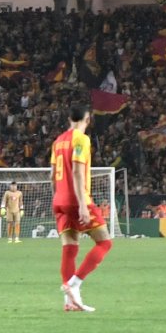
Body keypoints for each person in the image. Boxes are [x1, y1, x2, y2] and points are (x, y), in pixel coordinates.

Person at [50, 102, 113, 312]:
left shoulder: (57, 142)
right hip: (77, 200)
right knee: (104, 243)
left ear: (69, 119)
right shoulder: (81, 140)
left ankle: (70, 302)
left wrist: (58, 200)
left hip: (58, 200)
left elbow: (51, 176)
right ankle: (74, 284)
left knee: (69, 248)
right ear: (87, 120)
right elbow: (77, 172)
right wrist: (82, 206)